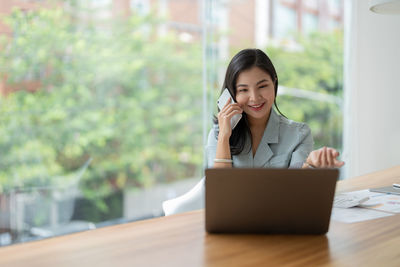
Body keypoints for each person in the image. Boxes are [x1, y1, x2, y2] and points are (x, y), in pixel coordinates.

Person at [163, 48, 344, 215]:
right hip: (231, 225)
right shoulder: (219, 134)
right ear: (231, 94)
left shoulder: (299, 134)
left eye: (262, 86)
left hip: (278, 224)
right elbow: (220, 195)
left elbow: (295, 197)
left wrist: (311, 165)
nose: (255, 98)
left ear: (274, 83)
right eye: (243, 90)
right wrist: (224, 136)